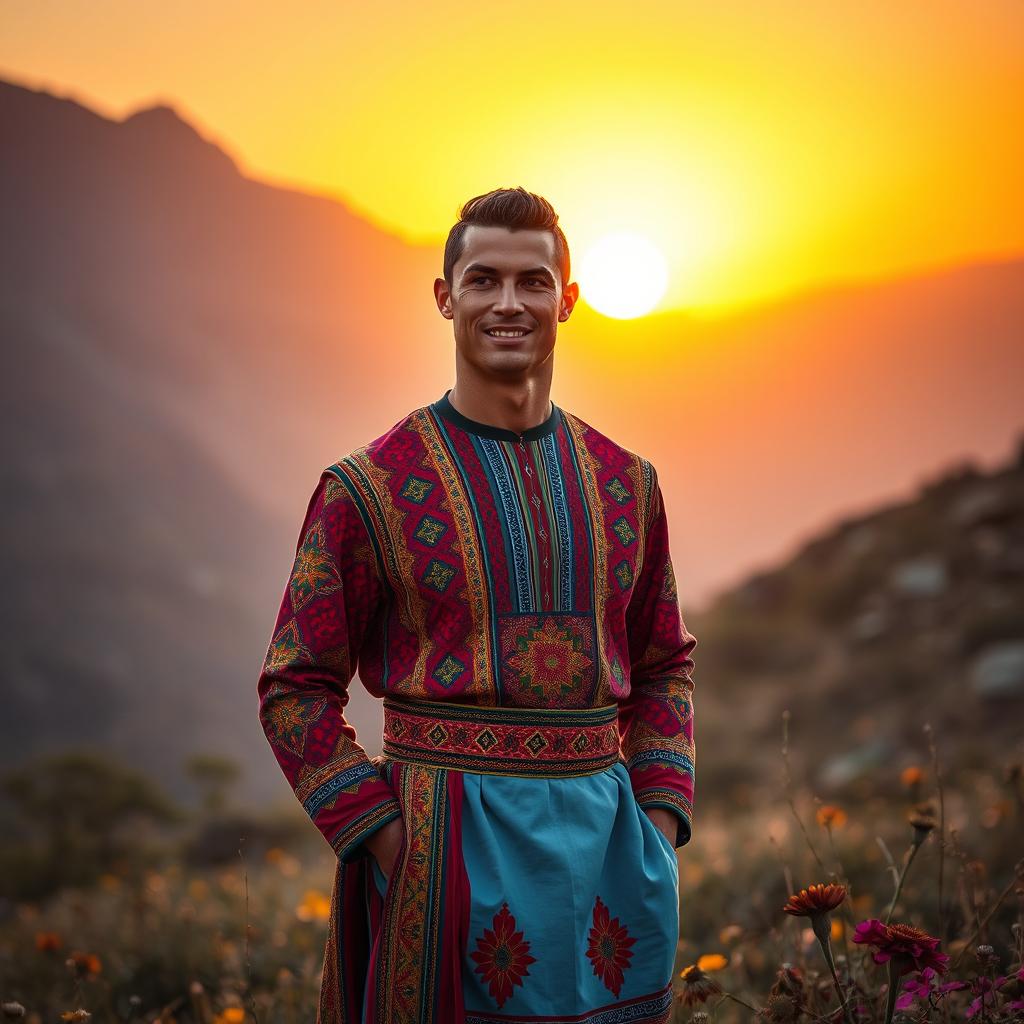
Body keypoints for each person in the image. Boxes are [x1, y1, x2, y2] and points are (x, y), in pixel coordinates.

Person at [257, 186, 698, 1024]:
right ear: (444, 296)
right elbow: (294, 685)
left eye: (533, 282)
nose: (508, 302)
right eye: (483, 278)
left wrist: (659, 828)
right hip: (441, 851)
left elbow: (664, 663)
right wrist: (390, 841)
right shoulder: (365, 487)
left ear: (567, 300)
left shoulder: (627, 484)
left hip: (612, 863)